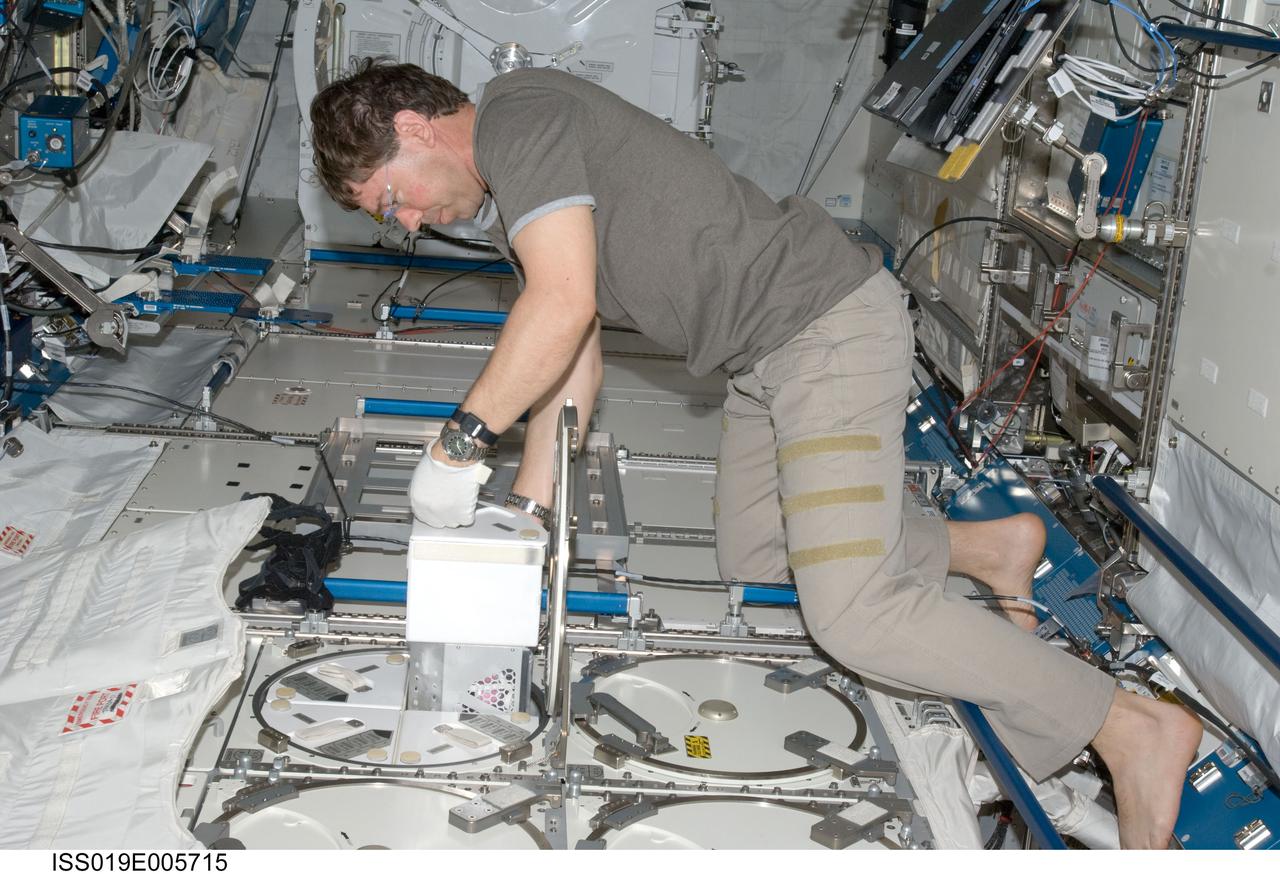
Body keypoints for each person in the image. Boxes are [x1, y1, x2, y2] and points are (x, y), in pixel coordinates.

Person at [307, 60, 1201, 848]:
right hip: (764, 360)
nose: (411, 222)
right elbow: (570, 355)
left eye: (393, 197)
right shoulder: (520, 191)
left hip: (824, 330)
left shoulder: (517, 117)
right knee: (760, 564)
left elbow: (561, 305)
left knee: (853, 613)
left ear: (413, 127)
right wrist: (529, 514)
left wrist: (460, 448)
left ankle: (1127, 727)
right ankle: (990, 548)